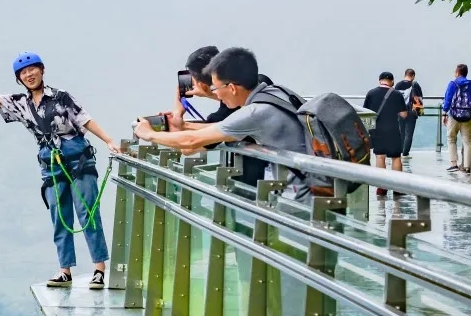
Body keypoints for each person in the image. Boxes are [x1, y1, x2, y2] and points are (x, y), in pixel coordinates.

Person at [0, 52, 121, 289]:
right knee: (59, 215)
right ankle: (65, 270)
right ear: (20, 79)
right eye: (24, 73)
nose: (29, 75)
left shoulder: (61, 97)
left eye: (32, 70)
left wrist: (108, 140)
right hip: (51, 163)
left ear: (42, 71)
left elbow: (84, 119)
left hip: (78, 160)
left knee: (87, 211)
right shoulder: (20, 103)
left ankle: (99, 269)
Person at [133, 47, 320, 201]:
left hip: (302, 197)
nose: (216, 95)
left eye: (215, 88)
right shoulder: (277, 92)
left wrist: (149, 134)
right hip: (316, 184)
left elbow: (191, 142)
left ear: (231, 87)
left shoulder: (253, 113)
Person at [163, 45, 272, 188]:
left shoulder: (226, 115)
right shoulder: (261, 82)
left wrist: (178, 112)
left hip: (253, 189)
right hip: (273, 181)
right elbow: (236, 99)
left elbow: (188, 149)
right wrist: (209, 93)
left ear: (202, 83)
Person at [363, 72, 408, 195]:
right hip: (393, 129)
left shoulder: (371, 93)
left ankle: (382, 187)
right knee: (396, 157)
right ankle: (397, 187)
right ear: (392, 81)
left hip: (377, 130)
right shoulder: (397, 94)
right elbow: (404, 114)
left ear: (379, 81)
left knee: (380, 156)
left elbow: (365, 113)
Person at [442, 63, 471, 173]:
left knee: (451, 139)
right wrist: (470, 107)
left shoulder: (452, 84)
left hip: (454, 116)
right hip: (467, 117)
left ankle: (454, 164)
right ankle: (467, 166)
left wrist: (444, 113)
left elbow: (447, 100)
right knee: (468, 142)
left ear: (457, 73)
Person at [393, 68, 424, 158]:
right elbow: (419, 98)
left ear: (405, 75)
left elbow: (395, 99)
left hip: (400, 112)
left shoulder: (398, 85)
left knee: (401, 132)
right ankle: (405, 153)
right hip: (411, 112)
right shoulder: (415, 85)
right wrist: (419, 112)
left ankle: (400, 150)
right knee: (409, 133)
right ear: (413, 76)